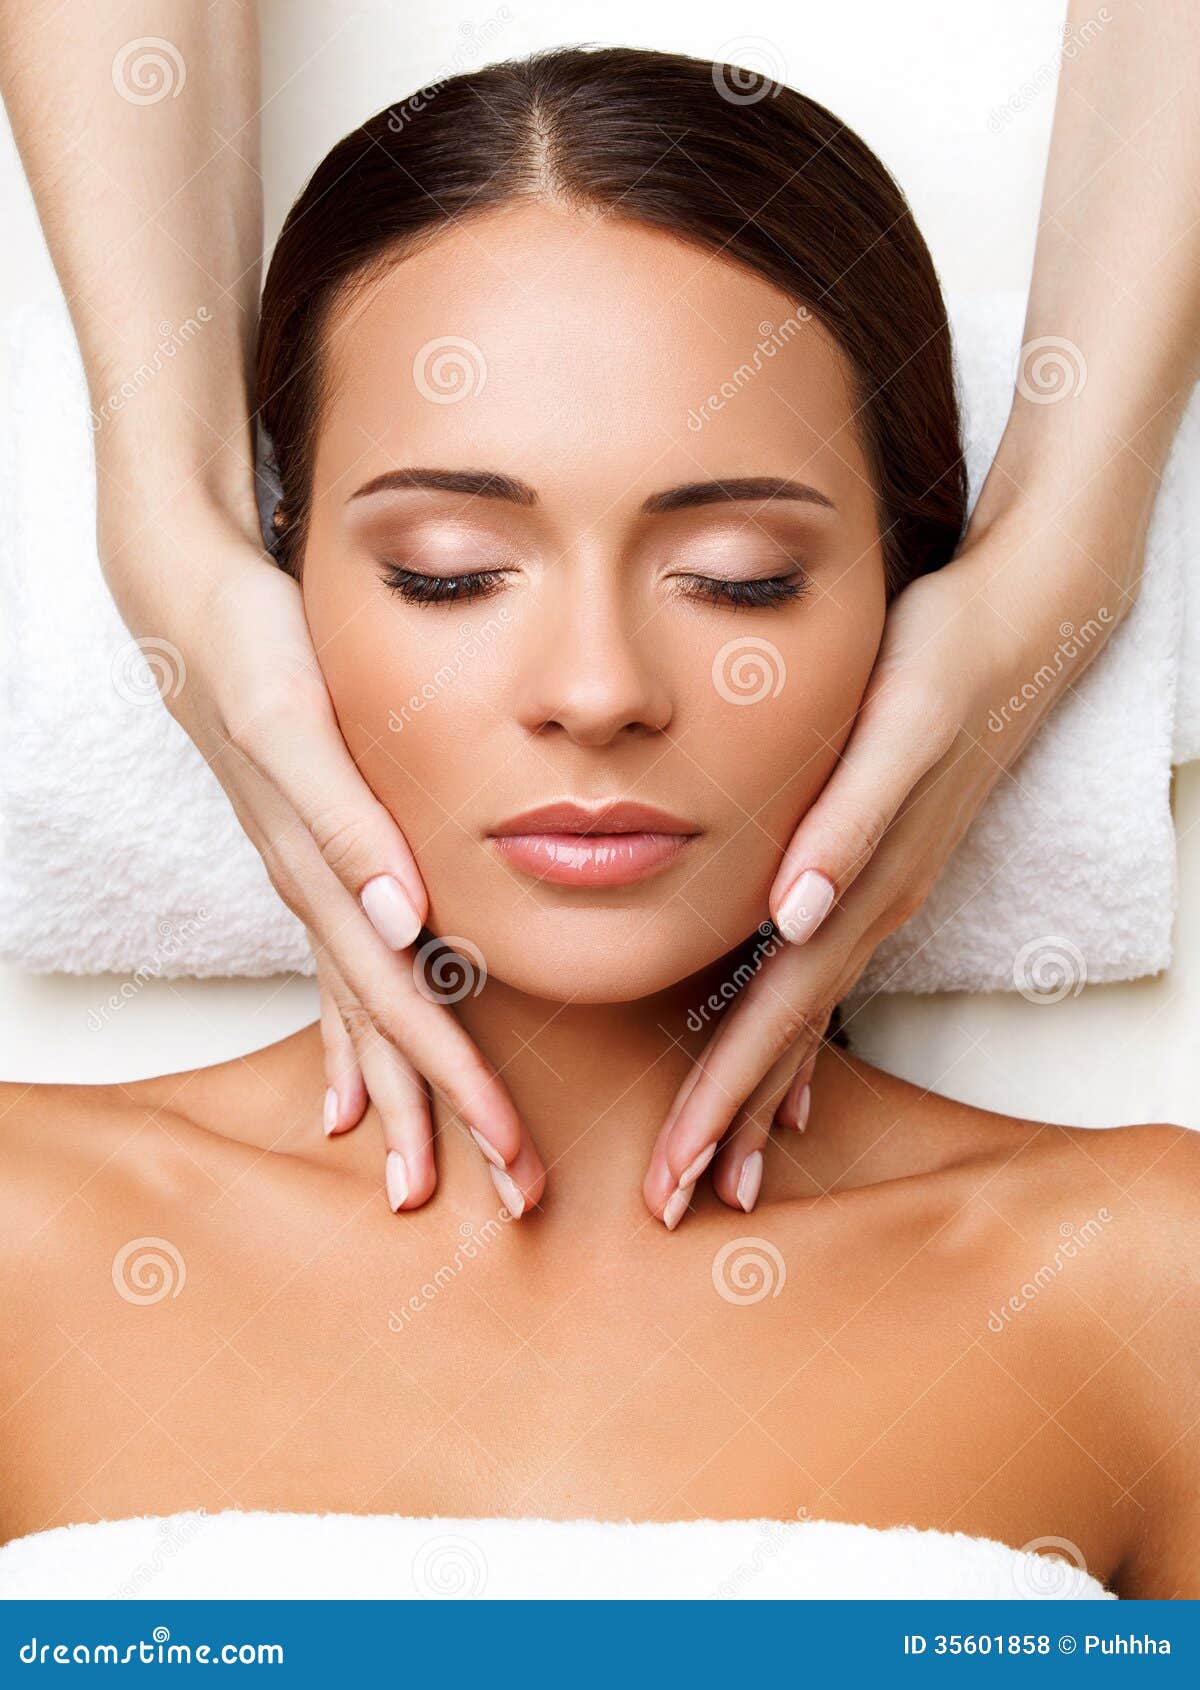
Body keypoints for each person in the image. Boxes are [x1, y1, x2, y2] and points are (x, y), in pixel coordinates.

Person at [1, 50, 1196, 1601]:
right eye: (445, 569)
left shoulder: (1135, 1281)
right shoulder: (26, 1240)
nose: (597, 689)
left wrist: (1066, 564)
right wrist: (159, 511)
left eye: (743, 577)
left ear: (913, 607)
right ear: (276, 599)